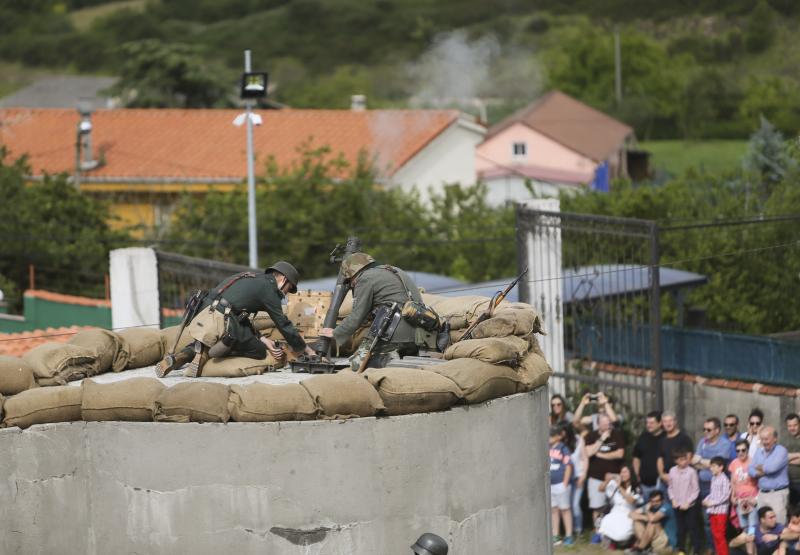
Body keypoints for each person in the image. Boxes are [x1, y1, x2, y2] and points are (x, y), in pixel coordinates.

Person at [155, 261, 315, 377]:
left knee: (207, 342)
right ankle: (206, 355)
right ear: (283, 280)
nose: (286, 294)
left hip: (204, 313)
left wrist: (264, 339)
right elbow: (283, 323)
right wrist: (304, 348)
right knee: (258, 351)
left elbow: (240, 315)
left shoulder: (249, 277)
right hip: (224, 318)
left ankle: (179, 358)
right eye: (289, 289)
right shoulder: (269, 290)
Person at [319, 252, 432, 371]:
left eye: (350, 281)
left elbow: (357, 315)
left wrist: (336, 332)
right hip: (416, 336)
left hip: (392, 334)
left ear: (352, 274)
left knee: (357, 366)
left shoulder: (364, 279)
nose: (351, 284)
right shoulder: (394, 270)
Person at [695, 417, 736, 552]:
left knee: (720, 525)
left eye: (709, 429)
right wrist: (704, 462)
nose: (705, 432)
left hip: (718, 489)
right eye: (704, 429)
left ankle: (721, 550)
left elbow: (719, 463)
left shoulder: (725, 444)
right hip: (703, 484)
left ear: (717, 430)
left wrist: (702, 461)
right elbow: (694, 461)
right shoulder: (702, 442)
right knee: (707, 521)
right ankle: (710, 548)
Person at [585, 413, 626, 543]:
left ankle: (612, 534)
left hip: (614, 477)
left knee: (615, 507)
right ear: (598, 424)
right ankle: (598, 533)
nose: (607, 425)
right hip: (596, 478)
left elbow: (620, 454)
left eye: (608, 423)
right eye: (604, 423)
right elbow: (589, 452)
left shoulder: (616, 435)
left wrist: (601, 455)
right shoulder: (591, 436)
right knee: (597, 508)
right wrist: (602, 439)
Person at [750, 426, 790, 524]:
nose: (764, 442)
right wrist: (761, 470)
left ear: (775, 438)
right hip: (762, 494)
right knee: (762, 525)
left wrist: (759, 468)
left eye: (767, 439)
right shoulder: (758, 451)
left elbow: (772, 468)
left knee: (779, 524)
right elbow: (750, 469)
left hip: (777, 494)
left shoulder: (781, 451)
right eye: (762, 439)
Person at [668, 447, 703, 555]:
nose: (684, 461)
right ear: (676, 461)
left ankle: (696, 550)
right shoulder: (672, 471)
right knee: (680, 529)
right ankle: (682, 549)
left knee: (693, 528)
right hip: (677, 505)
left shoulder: (691, 472)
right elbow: (670, 487)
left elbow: (696, 490)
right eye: (681, 459)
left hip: (689, 506)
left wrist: (688, 502)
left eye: (685, 459)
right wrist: (672, 499)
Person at [598, 465, 642, 547]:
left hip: (628, 514)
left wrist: (619, 486)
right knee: (606, 522)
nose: (623, 474)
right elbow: (600, 489)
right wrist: (607, 481)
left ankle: (626, 541)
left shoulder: (636, 487)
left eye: (625, 472)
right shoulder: (614, 483)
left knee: (622, 533)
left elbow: (631, 500)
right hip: (615, 512)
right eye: (621, 472)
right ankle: (612, 541)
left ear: (631, 474)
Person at [730, 438, 759, 553]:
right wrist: (732, 496)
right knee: (745, 528)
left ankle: (752, 553)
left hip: (751, 499)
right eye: (738, 451)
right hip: (739, 501)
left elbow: (759, 481)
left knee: (752, 527)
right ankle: (751, 552)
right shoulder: (734, 463)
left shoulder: (753, 462)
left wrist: (756, 499)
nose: (740, 453)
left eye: (743, 450)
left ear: (747, 450)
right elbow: (732, 482)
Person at [550, 425, 575, 546]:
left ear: (558, 436)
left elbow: (569, 466)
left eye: (552, 435)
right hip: (551, 485)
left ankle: (569, 535)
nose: (549, 437)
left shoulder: (563, 448)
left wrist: (565, 483)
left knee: (565, 510)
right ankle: (555, 535)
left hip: (561, 484)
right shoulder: (548, 448)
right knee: (554, 510)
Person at [657, 410, 695, 489]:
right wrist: (662, 475)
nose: (668, 424)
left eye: (670, 421)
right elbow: (660, 459)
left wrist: (676, 476)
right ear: (662, 424)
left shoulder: (684, 438)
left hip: (681, 480)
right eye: (665, 421)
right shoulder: (661, 440)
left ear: (675, 422)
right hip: (665, 480)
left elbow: (688, 458)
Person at [627, 490, 672, 555]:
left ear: (662, 500)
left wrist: (647, 511)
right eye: (652, 501)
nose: (655, 503)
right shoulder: (651, 506)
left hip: (667, 541)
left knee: (652, 523)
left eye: (657, 501)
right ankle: (646, 548)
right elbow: (631, 514)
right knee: (637, 522)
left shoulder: (666, 507)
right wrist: (645, 517)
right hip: (655, 537)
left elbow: (652, 519)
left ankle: (639, 550)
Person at [633, 410, 664, 504]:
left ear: (660, 423)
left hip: (661, 484)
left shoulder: (666, 438)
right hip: (644, 485)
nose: (648, 425)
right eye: (647, 422)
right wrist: (637, 474)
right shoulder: (643, 437)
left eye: (652, 423)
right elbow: (636, 457)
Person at [703, 456, 732, 555]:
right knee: (715, 534)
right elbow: (712, 493)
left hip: (721, 511)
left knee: (720, 534)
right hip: (712, 510)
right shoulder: (714, 478)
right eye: (711, 466)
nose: (711, 468)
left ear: (721, 467)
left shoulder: (724, 479)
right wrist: (706, 500)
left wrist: (712, 503)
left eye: (714, 466)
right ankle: (718, 552)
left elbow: (725, 495)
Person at [782, 413, 800, 507]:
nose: (792, 428)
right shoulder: (783, 440)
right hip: (788, 482)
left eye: (795, 425)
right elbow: (781, 458)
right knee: (792, 512)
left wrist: (787, 458)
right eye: (790, 425)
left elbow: (784, 458)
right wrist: (798, 455)